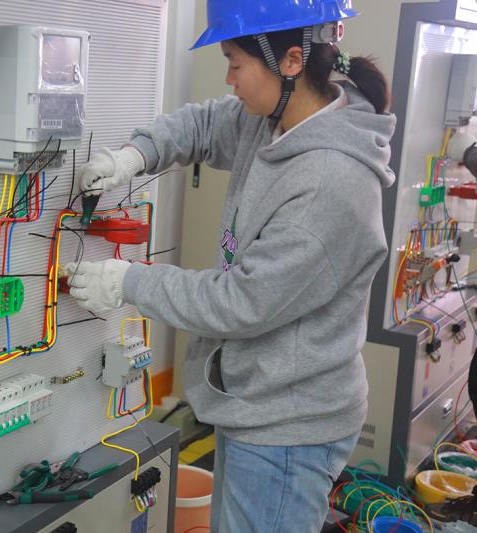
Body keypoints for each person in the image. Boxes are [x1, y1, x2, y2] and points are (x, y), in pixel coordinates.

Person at [65, 1, 396, 531]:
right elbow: (204, 125)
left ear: (291, 61)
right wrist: (135, 155)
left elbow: (241, 303)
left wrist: (130, 281)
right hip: (257, 401)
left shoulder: (328, 184)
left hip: (287, 425)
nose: (229, 78)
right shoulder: (275, 118)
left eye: (235, 63)